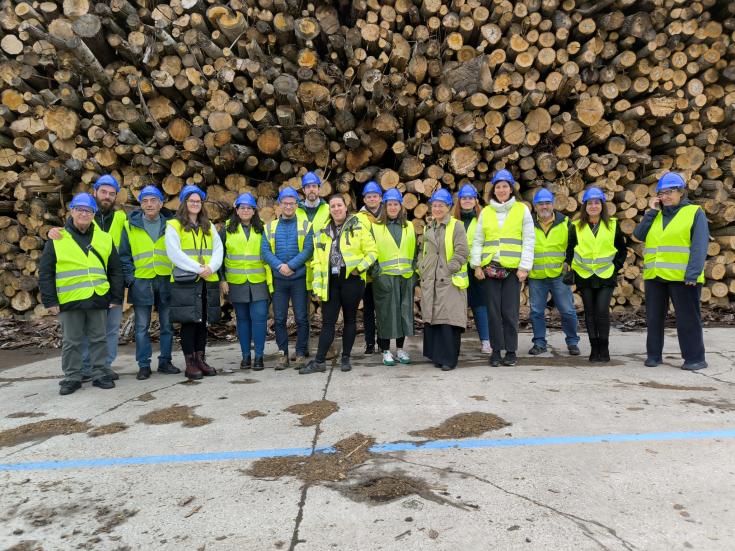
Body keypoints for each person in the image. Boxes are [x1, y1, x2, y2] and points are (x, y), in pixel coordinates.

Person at [39, 193, 124, 395]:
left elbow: (115, 270)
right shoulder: (58, 237)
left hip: (97, 297)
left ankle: (100, 373)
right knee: (72, 341)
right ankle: (72, 377)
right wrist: (50, 300)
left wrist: (115, 297)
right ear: (72, 211)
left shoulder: (104, 238)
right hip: (70, 299)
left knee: (99, 338)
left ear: (94, 214)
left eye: (88, 211)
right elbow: (46, 272)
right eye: (80, 210)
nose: (84, 214)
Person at [633, 172, 709, 371]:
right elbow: (638, 235)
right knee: (654, 318)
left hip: (683, 277)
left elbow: (699, 245)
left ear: (680, 192)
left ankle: (695, 358)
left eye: (670, 192)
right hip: (655, 276)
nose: (665, 197)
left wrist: (693, 273)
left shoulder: (694, 212)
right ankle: (654, 356)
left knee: (687, 319)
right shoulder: (656, 215)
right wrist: (650, 212)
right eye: (662, 193)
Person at [301, 194, 378, 374]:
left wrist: (359, 269)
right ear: (330, 210)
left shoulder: (358, 226)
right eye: (333, 206)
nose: (336, 209)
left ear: (345, 207)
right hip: (331, 280)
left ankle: (346, 358)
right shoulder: (322, 232)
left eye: (339, 205)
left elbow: (373, 252)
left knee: (350, 319)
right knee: (328, 321)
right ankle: (319, 361)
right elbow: (317, 262)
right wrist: (318, 287)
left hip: (351, 278)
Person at [470, 169, 535, 367]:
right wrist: (476, 265)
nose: (501, 190)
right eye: (498, 187)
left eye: (505, 186)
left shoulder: (522, 210)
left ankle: (511, 351)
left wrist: (524, 267)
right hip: (490, 269)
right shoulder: (486, 212)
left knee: (509, 312)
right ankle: (496, 351)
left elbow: (529, 239)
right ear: (493, 190)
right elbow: (478, 240)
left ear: (511, 189)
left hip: (513, 271)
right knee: (493, 311)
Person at [118, 186, 181, 380]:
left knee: (167, 325)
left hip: (165, 281)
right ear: (141, 205)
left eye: (153, 200)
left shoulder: (172, 225)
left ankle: (165, 361)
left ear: (161, 204)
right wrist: (131, 280)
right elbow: (124, 256)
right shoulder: (130, 226)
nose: (149, 204)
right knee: (141, 327)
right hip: (142, 282)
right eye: (145, 201)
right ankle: (144, 365)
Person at [165, 185, 223, 380]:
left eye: (198, 201)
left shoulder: (209, 226)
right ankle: (190, 363)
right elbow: (175, 253)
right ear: (184, 203)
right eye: (192, 201)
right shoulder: (173, 226)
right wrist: (199, 269)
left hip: (207, 280)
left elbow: (218, 250)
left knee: (202, 322)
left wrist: (211, 267)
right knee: (189, 322)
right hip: (185, 281)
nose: (195, 204)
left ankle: (200, 359)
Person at [566, 186, 627, 363]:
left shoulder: (613, 225)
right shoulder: (576, 226)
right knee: (590, 313)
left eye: (596, 203)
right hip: (585, 276)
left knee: (602, 311)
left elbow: (622, 250)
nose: (593, 206)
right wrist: (574, 267)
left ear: (602, 205)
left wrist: (615, 267)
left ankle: (604, 347)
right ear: (585, 206)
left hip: (605, 275)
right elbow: (570, 251)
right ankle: (594, 349)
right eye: (590, 203)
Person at [262, 187, 314, 370]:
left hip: (299, 278)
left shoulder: (305, 225)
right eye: (285, 203)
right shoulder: (269, 227)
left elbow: (309, 249)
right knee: (279, 319)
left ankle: (300, 353)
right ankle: (282, 354)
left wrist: (290, 266)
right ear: (280, 205)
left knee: (301, 318)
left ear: (296, 205)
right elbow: (265, 251)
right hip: (279, 280)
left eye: (292, 203)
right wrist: (280, 266)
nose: (289, 206)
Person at [419, 189, 469, 371]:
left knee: (448, 321)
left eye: (441, 205)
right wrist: (422, 266)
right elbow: (423, 252)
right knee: (434, 318)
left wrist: (450, 268)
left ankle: (448, 358)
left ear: (448, 207)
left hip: (449, 280)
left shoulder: (457, 226)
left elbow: (462, 250)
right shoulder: (428, 227)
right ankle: (436, 355)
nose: (437, 208)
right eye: (435, 205)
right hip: (431, 279)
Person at [219, 192, 270, 371]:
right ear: (237, 210)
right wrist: (222, 279)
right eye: (243, 208)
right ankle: (246, 356)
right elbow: (219, 256)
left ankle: (259, 357)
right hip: (236, 282)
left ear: (254, 210)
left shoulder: (262, 228)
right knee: (242, 320)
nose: (246, 210)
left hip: (258, 281)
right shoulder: (226, 230)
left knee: (259, 318)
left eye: (249, 208)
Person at [527, 188, 580, 356]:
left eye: (547, 203)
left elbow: (574, 246)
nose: (544, 206)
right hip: (536, 275)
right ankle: (539, 343)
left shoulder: (566, 223)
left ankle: (572, 342)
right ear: (535, 206)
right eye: (540, 203)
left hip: (559, 275)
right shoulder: (527, 223)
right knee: (536, 311)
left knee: (567, 310)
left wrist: (568, 263)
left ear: (553, 204)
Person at [371, 189, 416, 366]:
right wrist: (377, 274)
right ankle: (385, 350)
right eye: (389, 204)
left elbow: (415, 251)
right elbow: (371, 252)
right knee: (385, 315)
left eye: (395, 204)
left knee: (403, 313)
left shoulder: (410, 226)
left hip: (405, 277)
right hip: (385, 278)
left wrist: (413, 274)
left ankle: (400, 349)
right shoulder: (376, 227)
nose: (392, 207)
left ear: (400, 206)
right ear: (384, 206)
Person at [455, 183, 491, 354]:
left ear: (476, 200)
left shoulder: (484, 219)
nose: (467, 201)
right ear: (459, 201)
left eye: (470, 198)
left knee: (480, 305)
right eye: (464, 198)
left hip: (478, 269)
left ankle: (485, 340)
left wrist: (481, 265)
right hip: (458, 269)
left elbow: (489, 242)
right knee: (456, 306)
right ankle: (454, 342)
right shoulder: (453, 220)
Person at [356, 181, 383, 355]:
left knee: (382, 310)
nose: (372, 199)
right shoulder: (359, 217)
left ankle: (383, 342)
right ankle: (369, 343)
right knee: (368, 310)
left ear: (380, 198)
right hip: (366, 270)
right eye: (369, 196)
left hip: (384, 269)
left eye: (375, 196)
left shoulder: (389, 213)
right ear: (364, 199)